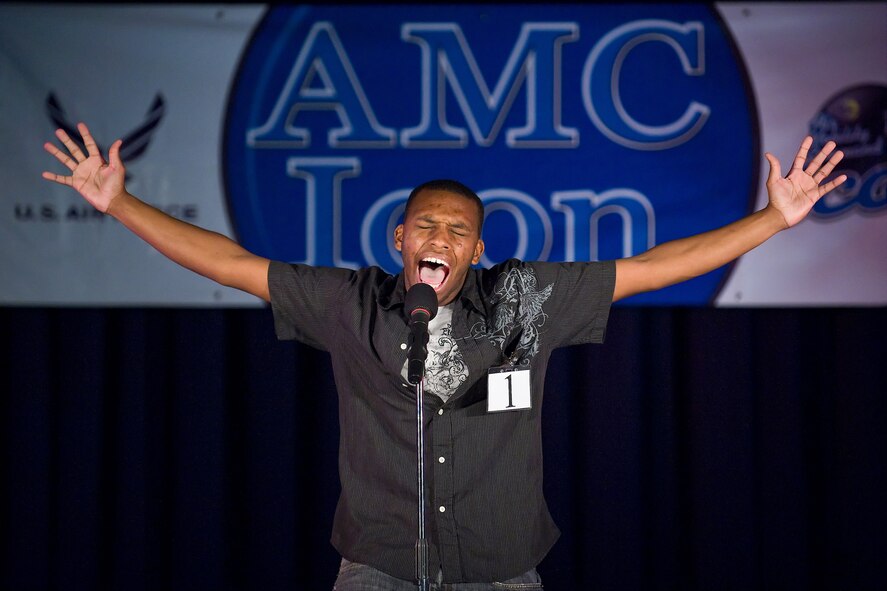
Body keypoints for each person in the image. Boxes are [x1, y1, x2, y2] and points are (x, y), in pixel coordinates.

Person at [42, 123, 845, 590]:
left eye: (458, 230)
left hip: (499, 567)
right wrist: (120, 204)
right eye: (426, 225)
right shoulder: (348, 302)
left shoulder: (525, 298)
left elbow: (655, 265)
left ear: (478, 248)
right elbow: (226, 261)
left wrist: (770, 219)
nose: (441, 238)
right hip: (378, 566)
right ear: (399, 240)